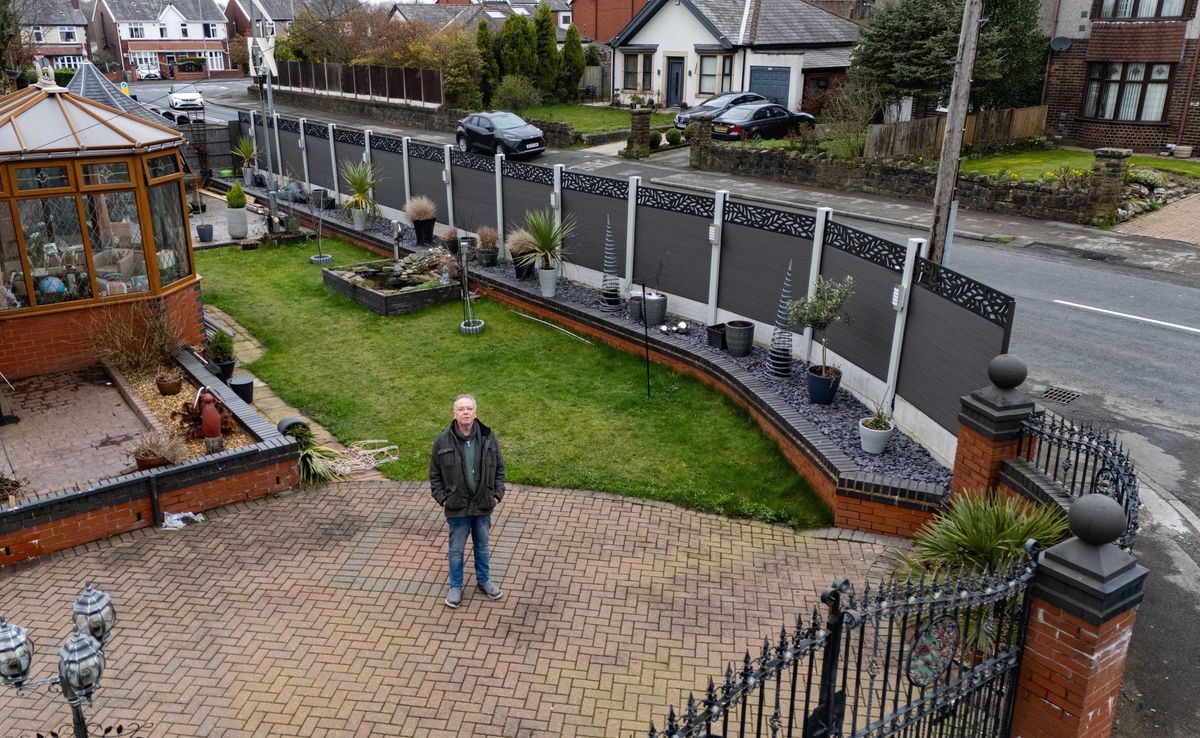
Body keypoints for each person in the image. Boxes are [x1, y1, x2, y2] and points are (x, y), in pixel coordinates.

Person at [429, 394, 506, 608]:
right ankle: (455, 586)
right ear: (454, 414)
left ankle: (484, 581)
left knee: (482, 546)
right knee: (456, 550)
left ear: (475, 413)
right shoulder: (442, 440)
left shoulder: (488, 437)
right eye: (461, 409)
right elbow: (434, 474)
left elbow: (500, 467)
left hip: (482, 504)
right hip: (457, 506)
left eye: (469, 409)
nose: (465, 412)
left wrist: (497, 494)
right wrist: (443, 499)